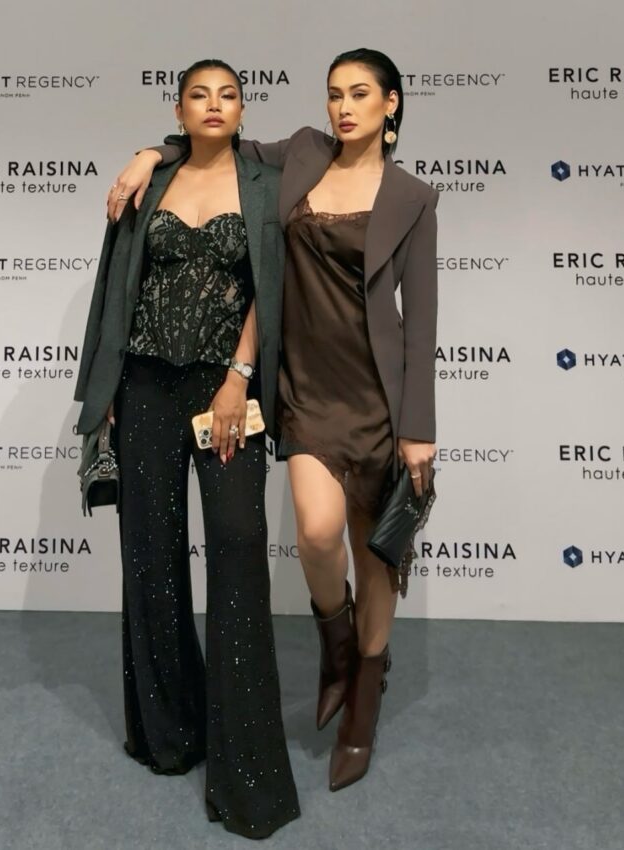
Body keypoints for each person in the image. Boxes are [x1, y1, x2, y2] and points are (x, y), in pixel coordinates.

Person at [108, 48, 439, 793]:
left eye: (361, 94)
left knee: (375, 555)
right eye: (335, 94)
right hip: (305, 387)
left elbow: (420, 322)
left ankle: (362, 700)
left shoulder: (414, 198)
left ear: (391, 104)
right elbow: (213, 137)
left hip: (379, 396)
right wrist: (147, 154)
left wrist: (418, 427)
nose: (344, 107)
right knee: (319, 536)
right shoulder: (302, 156)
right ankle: (337, 647)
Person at [74, 59, 299, 839]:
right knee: (151, 558)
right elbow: (117, 290)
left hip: (225, 393)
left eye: (227, 95)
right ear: (178, 111)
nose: (214, 105)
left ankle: (248, 772)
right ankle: (168, 733)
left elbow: (273, 290)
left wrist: (239, 378)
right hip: (143, 385)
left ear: (243, 109)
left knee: (237, 552)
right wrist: (106, 391)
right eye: (199, 95)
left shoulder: (267, 183)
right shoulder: (153, 180)